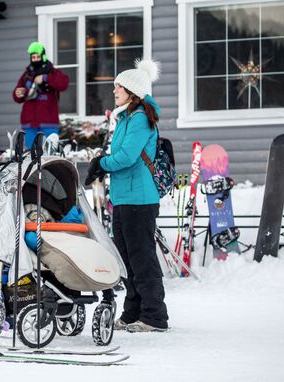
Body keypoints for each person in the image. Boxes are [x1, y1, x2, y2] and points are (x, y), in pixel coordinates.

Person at [85, 59, 168, 332]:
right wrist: (102, 162)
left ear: (132, 90)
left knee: (142, 258)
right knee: (127, 259)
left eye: (117, 86)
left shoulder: (142, 118)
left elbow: (127, 157)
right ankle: (133, 312)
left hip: (140, 199)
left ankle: (154, 315)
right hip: (123, 198)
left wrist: (101, 164)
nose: (114, 91)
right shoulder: (125, 118)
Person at [13, 42, 69, 149]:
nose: (35, 59)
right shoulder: (27, 74)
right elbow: (17, 96)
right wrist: (19, 93)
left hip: (49, 123)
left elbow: (64, 83)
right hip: (29, 124)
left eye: (38, 57)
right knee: (31, 155)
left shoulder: (52, 72)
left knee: (49, 154)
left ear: (43, 56)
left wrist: (45, 78)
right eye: (33, 57)